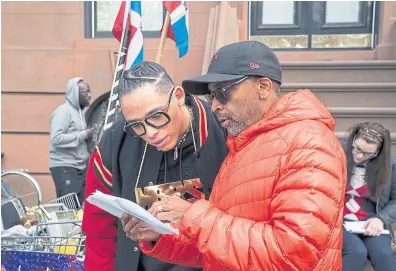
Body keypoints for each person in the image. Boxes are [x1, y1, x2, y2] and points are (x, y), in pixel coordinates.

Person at [122, 41, 348, 271]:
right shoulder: (243, 146)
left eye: (222, 93)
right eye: (211, 97)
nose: (215, 106)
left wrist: (193, 216)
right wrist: (159, 236)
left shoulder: (308, 143)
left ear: (263, 87)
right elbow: (222, 249)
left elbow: (293, 252)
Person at [82, 61, 228, 271]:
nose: (150, 133)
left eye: (156, 116)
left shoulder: (222, 129)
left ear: (178, 96)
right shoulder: (115, 143)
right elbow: (99, 233)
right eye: (136, 125)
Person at [341, 122, 396, 271]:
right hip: (339, 221)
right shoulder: (338, 154)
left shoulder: (390, 166)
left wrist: (381, 219)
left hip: (371, 221)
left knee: (383, 254)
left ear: (378, 153)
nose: (359, 155)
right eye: (357, 148)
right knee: (357, 252)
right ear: (353, 140)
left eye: (367, 153)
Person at [49, 77, 92, 205]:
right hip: (65, 168)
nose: (89, 95)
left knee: (79, 209)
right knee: (69, 208)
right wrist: (83, 134)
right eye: (86, 92)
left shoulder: (78, 113)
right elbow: (56, 139)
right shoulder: (63, 112)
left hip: (79, 167)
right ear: (75, 93)